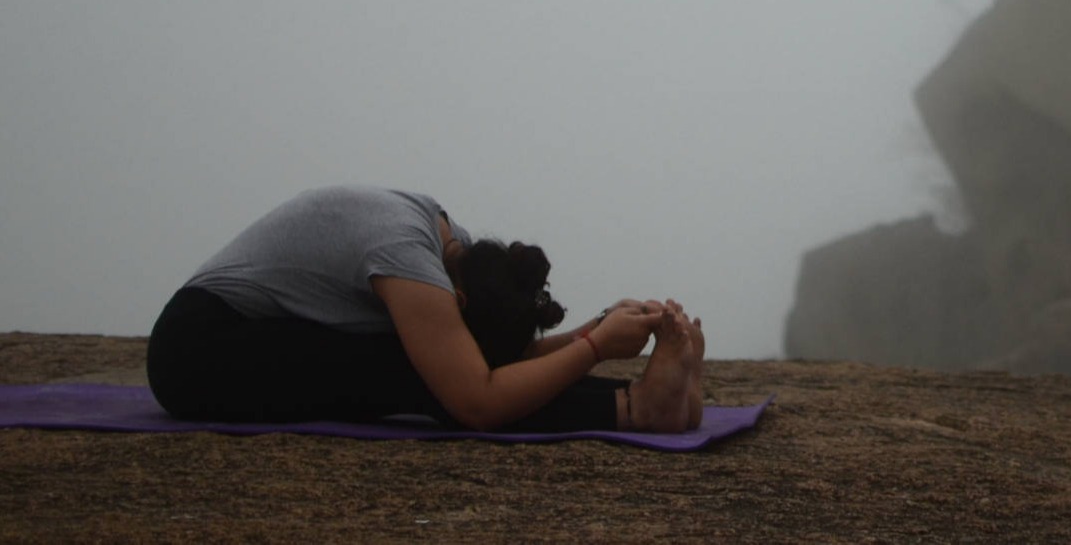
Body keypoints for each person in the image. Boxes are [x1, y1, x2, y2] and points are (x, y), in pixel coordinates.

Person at [145, 185, 704, 433]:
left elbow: (505, 360)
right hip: (199, 352)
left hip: (262, 331)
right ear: (456, 301)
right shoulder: (410, 260)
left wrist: (598, 331)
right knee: (426, 376)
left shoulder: (452, 247)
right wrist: (595, 347)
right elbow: (477, 398)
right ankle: (637, 410)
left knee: (432, 366)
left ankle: (662, 402)